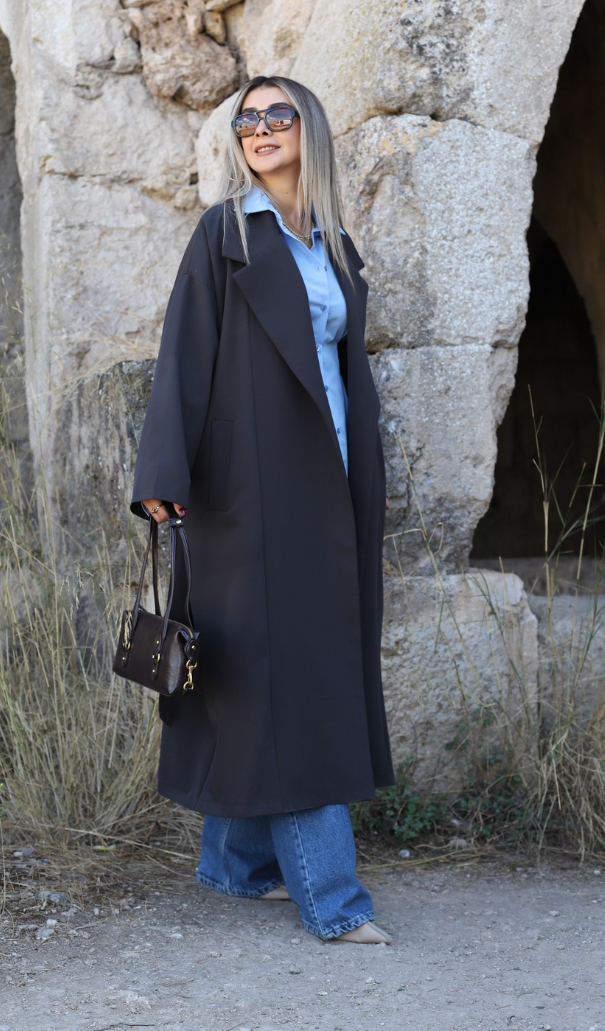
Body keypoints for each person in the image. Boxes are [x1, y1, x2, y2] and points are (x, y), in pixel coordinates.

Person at [130, 75, 395, 944]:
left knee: (262, 671)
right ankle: (334, 901)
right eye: (247, 118)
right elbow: (183, 352)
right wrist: (163, 470)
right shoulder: (226, 233)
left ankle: (236, 866)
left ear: (308, 129)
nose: (261, 127)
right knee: (294, 679)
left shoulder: (335, 244)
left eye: (279, 114)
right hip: (250, 487)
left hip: (331, 481)